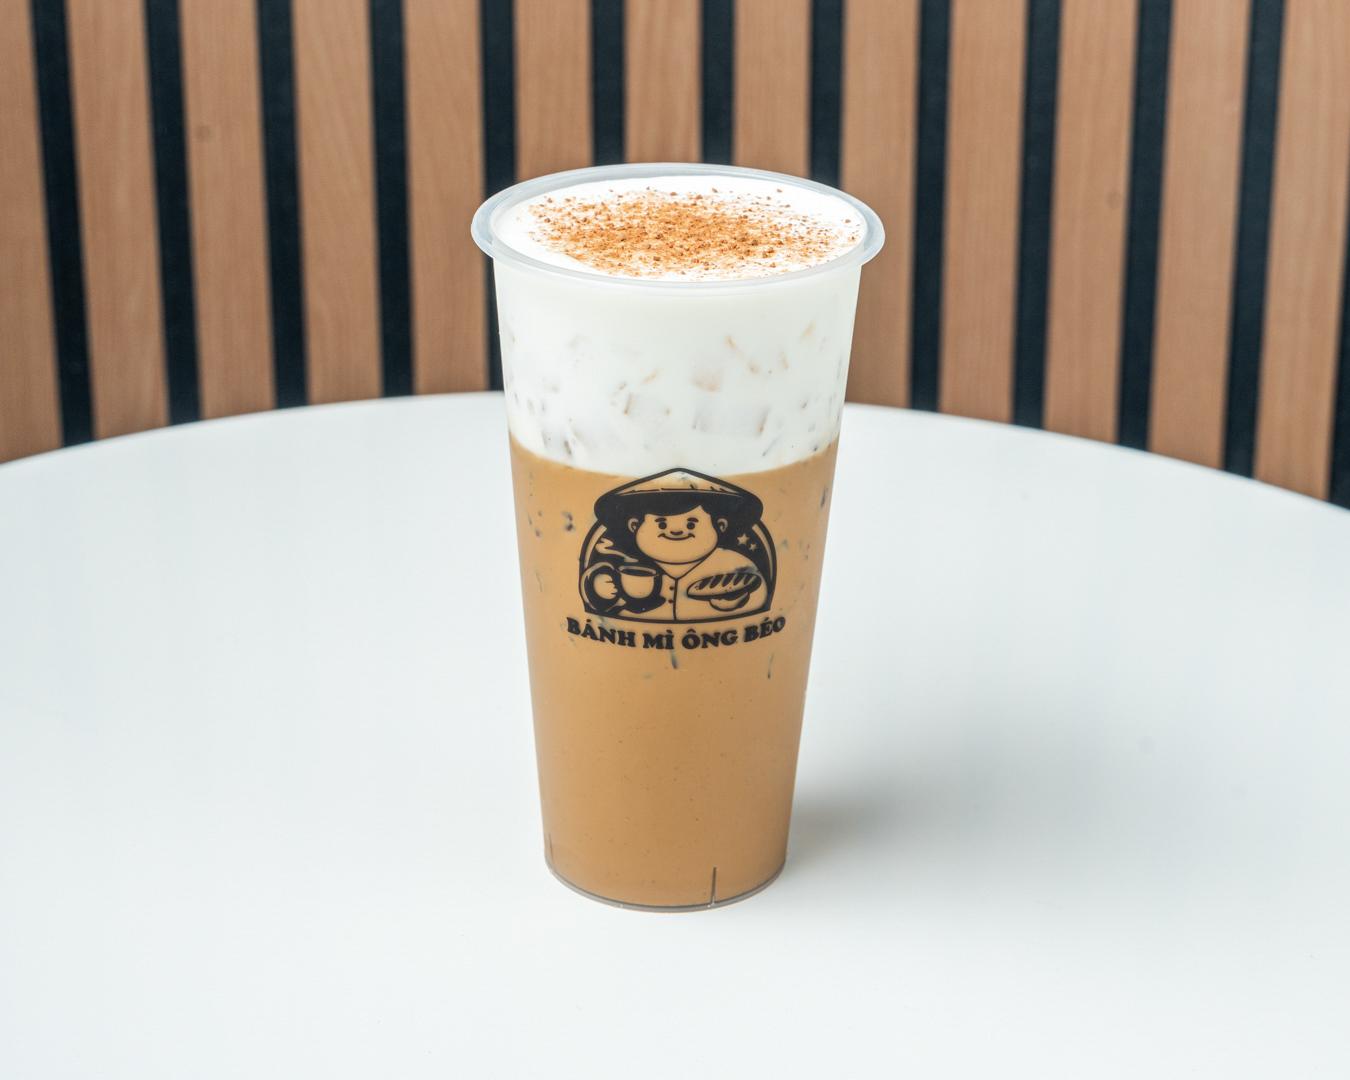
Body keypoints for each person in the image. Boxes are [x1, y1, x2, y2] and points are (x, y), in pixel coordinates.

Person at [580, 469, 775, 623]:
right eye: (661, 524)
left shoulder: (737, 566)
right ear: (634, 527)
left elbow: (760, 597)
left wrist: (739, 599)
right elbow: (603, 605)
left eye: (691, 524)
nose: (675, 531)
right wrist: (601, 591)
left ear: (720, 526)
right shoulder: (632, 568)